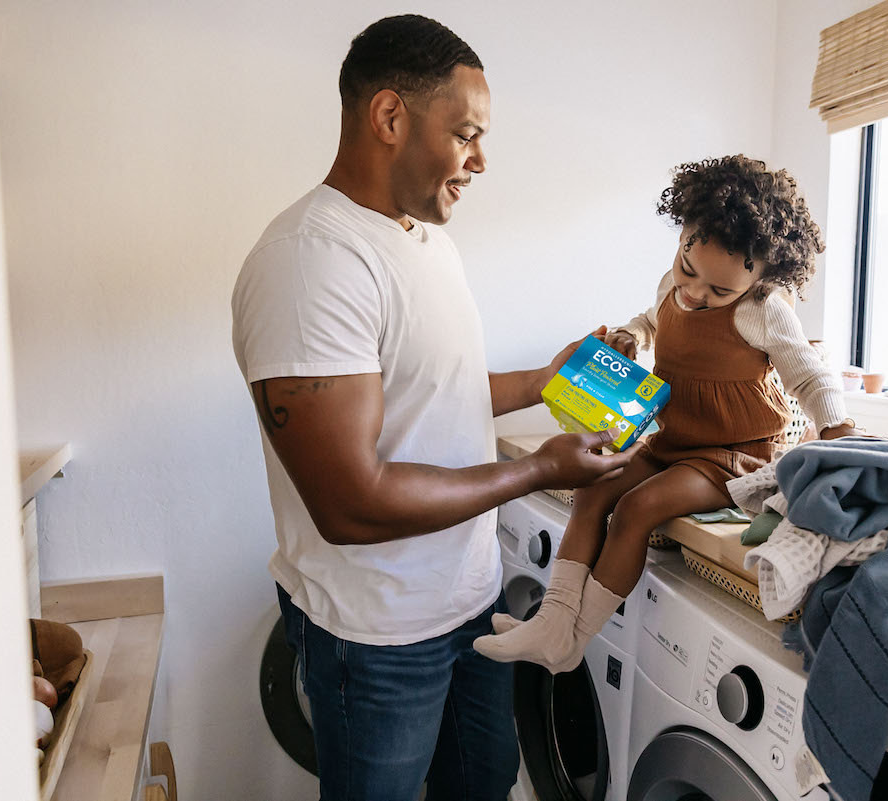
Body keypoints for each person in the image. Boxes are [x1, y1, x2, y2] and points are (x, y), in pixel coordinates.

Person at [230, 14, 631, 801]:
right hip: (376, 634)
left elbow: (432, 390)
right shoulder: (310, 263)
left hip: (469, 605)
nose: (481, 159)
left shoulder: (422, 241)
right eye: (467, 133)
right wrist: (538, 469)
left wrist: (547, 381)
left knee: (481, 787)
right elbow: (352, 501)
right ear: (390, 117)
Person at [473, 155, 863, 674]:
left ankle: (570, 643)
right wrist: (633, 337)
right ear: (682, 235)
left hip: (732, 456)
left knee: (636, 509)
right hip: (672, 439)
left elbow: (810, 375)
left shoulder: (765, 309)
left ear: (762, 276)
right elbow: (652, 319)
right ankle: (552, 621)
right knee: (593, 488)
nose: (696, 293)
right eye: (688, 269)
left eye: (719, 290)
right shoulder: (672, 286)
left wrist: (838, 429)